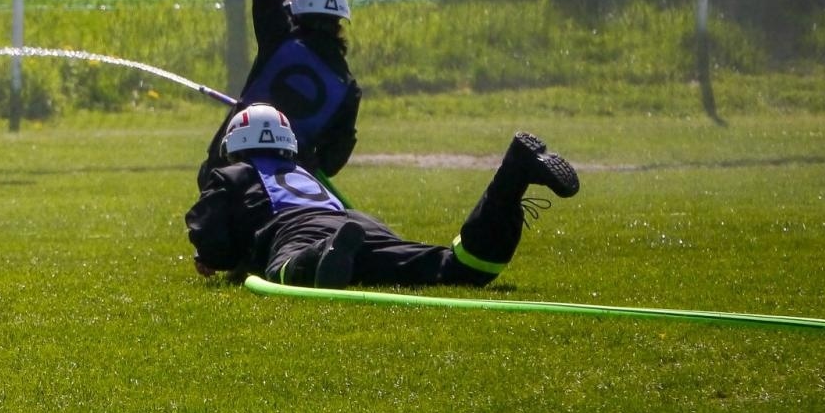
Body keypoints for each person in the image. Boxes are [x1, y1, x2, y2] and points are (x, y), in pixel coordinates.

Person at [185, 103, 581, 289]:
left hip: (297, 233)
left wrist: (211, 258)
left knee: (283, 270)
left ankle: (321, 256)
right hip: (358, 223)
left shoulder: (233, 173)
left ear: (234, 147)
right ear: (288, 147)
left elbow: (212, 238)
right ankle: (512, 175)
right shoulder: (305, 173)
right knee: (459, 269)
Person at [199, 0, 359, 189]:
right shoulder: (347, 86)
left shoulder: (279, 38)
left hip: (227, 173)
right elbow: (334, 156)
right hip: (294, 189)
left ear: (293, 10)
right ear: (339, 19)